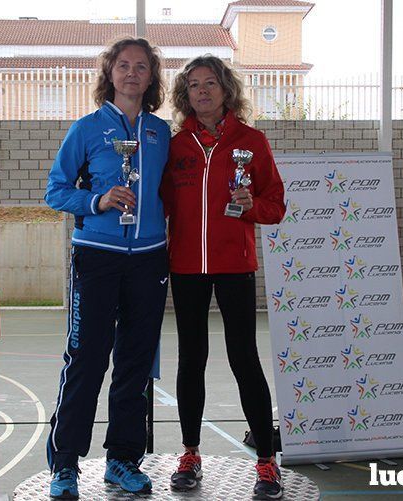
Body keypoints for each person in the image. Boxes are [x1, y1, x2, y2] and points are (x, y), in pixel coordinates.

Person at [44, 37, 171, 499]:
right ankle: (65, 464)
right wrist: (97, 200)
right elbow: (55, 191)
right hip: (97, 258)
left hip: (150, 260)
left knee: (135, 365)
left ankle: (121, 460)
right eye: (123, 65)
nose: (132, 73)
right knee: (87, 359)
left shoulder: (162, 133)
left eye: (141, 66)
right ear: (110, 73)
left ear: (152, 76)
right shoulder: (86, 129)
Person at [160, 55, 286, 499]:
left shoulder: (252, 142)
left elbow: (276, 206)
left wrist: (249, 203)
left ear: (225, 89)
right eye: (193, 85)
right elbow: (161, 207)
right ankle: (190, 453)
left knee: (243, 359)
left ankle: (266, 462)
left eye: (210, 82)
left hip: (236, 266)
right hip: (187, 268)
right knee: (190, 359)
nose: (202, 91)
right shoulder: (175, 146)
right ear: (185, 95)